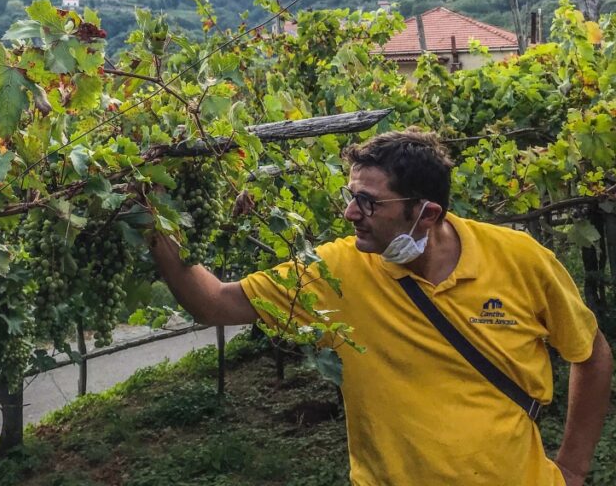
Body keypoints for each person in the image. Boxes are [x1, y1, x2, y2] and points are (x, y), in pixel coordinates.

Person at [150, 128, 613, 485]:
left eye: (369, 202)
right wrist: (154, 220)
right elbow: (215, 304)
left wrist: (571, 469)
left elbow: (590, 355)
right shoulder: (335, 273)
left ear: (427, 213)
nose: (352, 213)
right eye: (352, 197)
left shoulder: (520, 259)